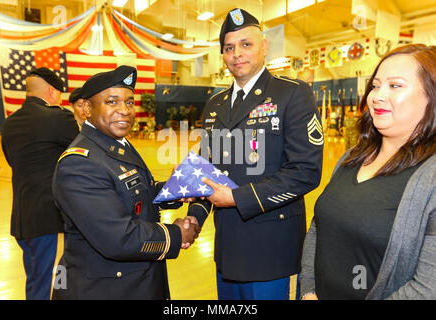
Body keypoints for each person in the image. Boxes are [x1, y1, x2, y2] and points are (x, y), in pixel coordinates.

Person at [187, 8, 323, 300]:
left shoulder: (292, 94)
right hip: (226, 244)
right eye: (229, 47)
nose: (237, 53)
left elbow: (306, 171)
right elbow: (206, 170)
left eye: (246, 44)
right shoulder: (215, 104)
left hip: (270, 247)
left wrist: (238, 198)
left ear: (264, 46)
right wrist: (195, 217)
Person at [51, 65, 200, 300]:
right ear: (87, 108)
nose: (124, 110)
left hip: (135, 280)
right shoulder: (80, 163)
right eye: (112, 102)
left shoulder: (115, 143)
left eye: (129, 102)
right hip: (105, 289)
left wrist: (173, 189)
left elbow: (134, 194)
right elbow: (118, 238)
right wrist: (176, 234)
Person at [300, 44, 436, 300]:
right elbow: (318, 228)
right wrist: (308, 291)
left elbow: (428, 289)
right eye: (375, 86)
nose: (377, 96)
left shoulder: (430, 181)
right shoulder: (350, 159)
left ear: (431, 96)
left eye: (395, 86)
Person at [1, 67, 79, 299]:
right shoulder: (59, 117)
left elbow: (12, 161)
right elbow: (83, 156)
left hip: (22, 217)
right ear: (53, 92)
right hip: (50, 216)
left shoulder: (10, 122)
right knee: (47, 282)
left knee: (37, 278)